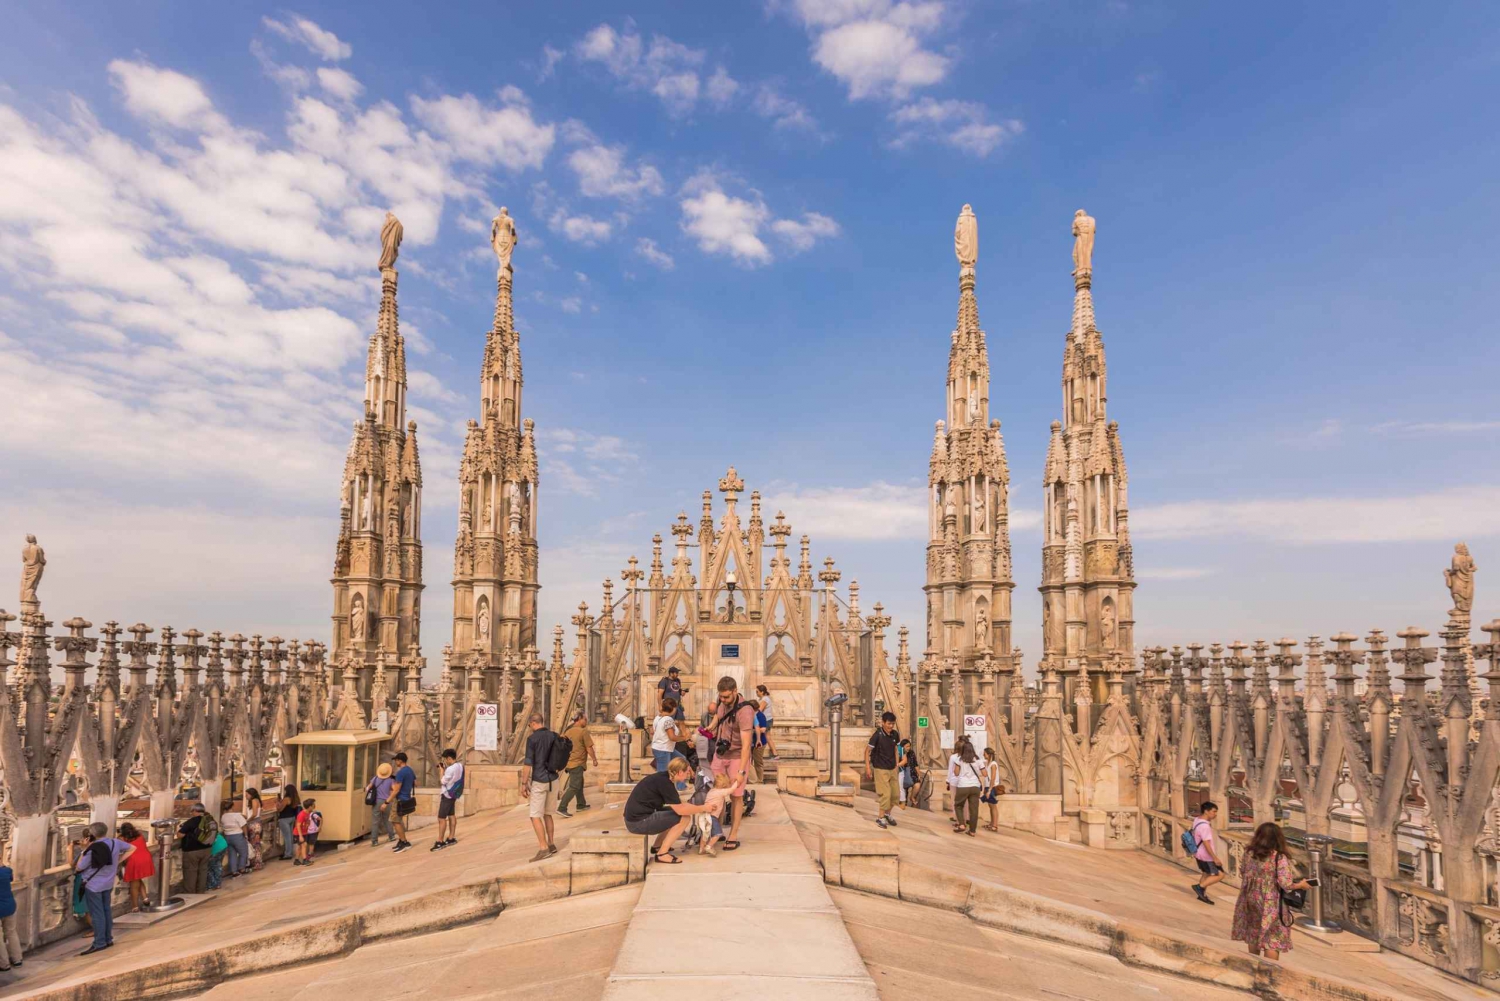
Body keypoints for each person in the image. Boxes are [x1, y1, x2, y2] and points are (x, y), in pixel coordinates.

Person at [1231, 822, 1313, 961]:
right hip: (1271, 901)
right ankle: (1269, 972)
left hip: (1251, 897)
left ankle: (1253, 964)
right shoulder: (1278, 857)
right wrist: (1301, 885)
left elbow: (1243, 871)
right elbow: (1285, 883)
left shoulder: (1248, 853)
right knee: (1272, 938)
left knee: (1254, 931)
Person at [623, 756, 711, 864]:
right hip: (638, 823)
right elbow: (681, 811)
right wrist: (703, 808)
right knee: (684, 818)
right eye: (687, 772)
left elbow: (677, 807)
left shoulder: (663, 777)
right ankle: (662, 854)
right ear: (679, 772)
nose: (688, 775)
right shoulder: (666, 784)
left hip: (635, 819)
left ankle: (657, 846)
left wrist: (691, 807)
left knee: (673, 814)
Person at [708, 675, 756, 851]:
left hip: (737, 756)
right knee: (717, 793)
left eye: (727, 696)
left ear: (735, 691)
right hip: (720, 756)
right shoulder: (722, 704)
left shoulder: (745, 711)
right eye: (721, 696)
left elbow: (746, 746)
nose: (723, 700)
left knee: (736, 796)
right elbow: (718, 718)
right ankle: (717, 831)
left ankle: (733, 835)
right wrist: (709, 728)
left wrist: (742, 771)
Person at [74, 822, 133, 955]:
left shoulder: (92, 849)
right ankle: (108, 939)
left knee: (97, 914)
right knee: (106, 911)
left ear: (92, 834)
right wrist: (118, 861)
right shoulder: (115, 843)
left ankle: (99, 942)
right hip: (108, 882)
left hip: (93, 885)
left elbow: (79, 867)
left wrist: (83, 849)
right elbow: (132, 848)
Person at [519, 717, 558, 861]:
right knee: (548, 814)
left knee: (535, 815)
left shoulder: (532, 739)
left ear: (533, 723)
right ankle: (551, 843)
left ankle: (543, 848)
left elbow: (528, 763)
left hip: (540, 780)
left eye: (530, 725)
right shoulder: (554, 735)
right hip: (554, 780)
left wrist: (524, 784)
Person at [558, 709, 598, 818]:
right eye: (585, 719)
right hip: (577, 763)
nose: (586, 722)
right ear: (579, 719)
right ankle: (562, 807)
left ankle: (581, 805)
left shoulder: (568, 731)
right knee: (574, 786)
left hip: (569, 763)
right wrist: (594, 759)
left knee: (579, 783)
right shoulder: (582, 731)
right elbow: (589, 747)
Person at [865, 711, 901, 829]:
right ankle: (880, 818)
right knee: (885, 794)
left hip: (892, 768)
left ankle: (887, 814)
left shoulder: (895, 734)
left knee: (895, 795)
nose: (891, 726)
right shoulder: (877, 735)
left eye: (893, 724)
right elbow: (867, 751)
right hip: (880, 768)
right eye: (889, 724)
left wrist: (896, 764)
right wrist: (868, 768)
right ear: (883, 723)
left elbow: (896, 749)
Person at [1190, 801, 1227, 904]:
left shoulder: (1197, 820)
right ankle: (1199, 887)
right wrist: (1214, 857)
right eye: (1214, 811)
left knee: (1206, 873)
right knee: (1220, 874)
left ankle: (1202, 895)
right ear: (1206, 811)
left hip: (1198, 853)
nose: (1215, 814)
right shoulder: (1205, 826)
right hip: (1206, 855)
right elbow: (1206, 843)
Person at [948, 737, 984, 836]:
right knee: (974, 810)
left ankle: (962, 824)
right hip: (975, 787)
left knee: (958, 805)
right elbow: (984, 773)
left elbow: (955, 773)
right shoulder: (977, 759)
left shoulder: (960, 759)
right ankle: (972, 831)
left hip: (963, 785)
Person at [178, 802, 217, 892]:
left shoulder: (192, 821)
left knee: (190, 872)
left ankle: (190, 893)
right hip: (207, 849)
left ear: (195, 811)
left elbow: (180, 835)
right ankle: (201, 891)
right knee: (203, 871)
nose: (191, 813)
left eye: (192, 811)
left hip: (192, 851)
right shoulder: (210, 819)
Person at [433, 748, 465, 851]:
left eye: (445, 759)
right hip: (454, 794)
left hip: (447, 795)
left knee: (441, 818)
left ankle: (440, 841)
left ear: (449, 758)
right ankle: (451, 837)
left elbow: (442, 781)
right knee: (451, 815)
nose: (445, 761)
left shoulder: (450, 769)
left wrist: (442, 770)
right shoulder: (460, 766)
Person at [650, 698, 687, 775]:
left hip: (662, 747)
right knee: (662, 774)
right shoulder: (668, 720)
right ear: (673, 708)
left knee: (681, 760)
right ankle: (661, 786)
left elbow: (653, 732)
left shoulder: (657, 718)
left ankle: (680, 785)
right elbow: (672, 737)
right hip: (663, 749)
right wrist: (684, 738)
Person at [390, 752, 418, 853]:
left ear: (400, 761)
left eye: (396, 760)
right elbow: (415, 782)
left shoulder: (401, 772)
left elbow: (396, 790)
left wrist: (386, 801)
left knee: (395, 821)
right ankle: (401, 841)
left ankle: (404, 842)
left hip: (399, 799)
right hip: (406, 798)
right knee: (398, 820)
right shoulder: (410, 770)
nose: (395, 762)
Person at [366, 762, 397, 847]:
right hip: (387, 802)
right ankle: (392, 836)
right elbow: (394, 790)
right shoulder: (391, 780)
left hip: (376, 802)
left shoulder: (375, 779)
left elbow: (368, 788)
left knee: (375, 822)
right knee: (387, 820)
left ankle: (374, 841)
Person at [0, 855, 20, 970]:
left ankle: (4, 964)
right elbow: (10, 878)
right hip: (10, 906)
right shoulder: (7, 871)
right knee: (11, 932)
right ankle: (17, 959)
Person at [219, 802, 248, 877]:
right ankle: (241, 869)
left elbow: (222, 826)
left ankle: (234, 871)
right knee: (243, 853)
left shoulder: (223, 816)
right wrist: (245, 835)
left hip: (228, 837)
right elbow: (244, 825)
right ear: (232, 807)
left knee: (232, 854)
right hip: (238, 836)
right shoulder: (237, 815)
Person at [981, 746, 1003, 832]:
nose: (983, 755)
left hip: (992, 787)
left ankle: (995, 825)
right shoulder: (988, 763)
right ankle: (991, 823)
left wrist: (989, 790)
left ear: (989, 754)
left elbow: (993, 778)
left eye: (985, 754)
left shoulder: (993, 764)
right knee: (990, 805)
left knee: (993, 806)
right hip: (988, 786)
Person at [243, 789, 266, 872]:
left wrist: (247, 820)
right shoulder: (256, 800)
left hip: (254, 824)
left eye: (247, 794)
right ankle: (258, 862)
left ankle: (257, 863)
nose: (246, 796)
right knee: (256, 844)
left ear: (251, 794)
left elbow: (254, 814)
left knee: (255, 845)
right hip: (256, 823)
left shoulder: (254, 800)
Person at [754, 685, 778, 758]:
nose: (756, 693)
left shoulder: (765, 699)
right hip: (767, 720)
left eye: (757, 691)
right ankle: (775, 754)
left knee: (766, 737)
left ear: (762, 692)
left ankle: (775, 754)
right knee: (767, 737)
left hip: (767, 721)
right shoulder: (762, 699)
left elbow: (759, 710)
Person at [276, 784, 299, 860]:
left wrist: (277, 803)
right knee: (290, 836)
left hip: (284, 819)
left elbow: (280, 809)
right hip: (292, 818)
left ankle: (288, 854)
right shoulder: (295, 798)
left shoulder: (286, 799)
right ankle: (289, 852)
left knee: (287, 837)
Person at [898, 740, 923, 808]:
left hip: (912, 774)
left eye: (909, 746)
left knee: (917, 785)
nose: (908, 748)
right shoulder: (899, 753)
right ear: (902, 747)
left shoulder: (911, 753)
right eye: (907, 746)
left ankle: (912, 797)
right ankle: (904, 804)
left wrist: (919, 774)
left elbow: (915, 764)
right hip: (903, 774)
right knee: (903, 792)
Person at [293, 799, 315, 866]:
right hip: (299, 833)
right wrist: (300, 836)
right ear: (309, 806)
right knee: (304, 845)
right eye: (313, 805)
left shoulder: (308, 813)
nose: (314, 806)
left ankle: (296, 860)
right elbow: (298, 825)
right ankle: (305, 860)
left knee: (300, 847)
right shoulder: (302, 814)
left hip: (304, 832)